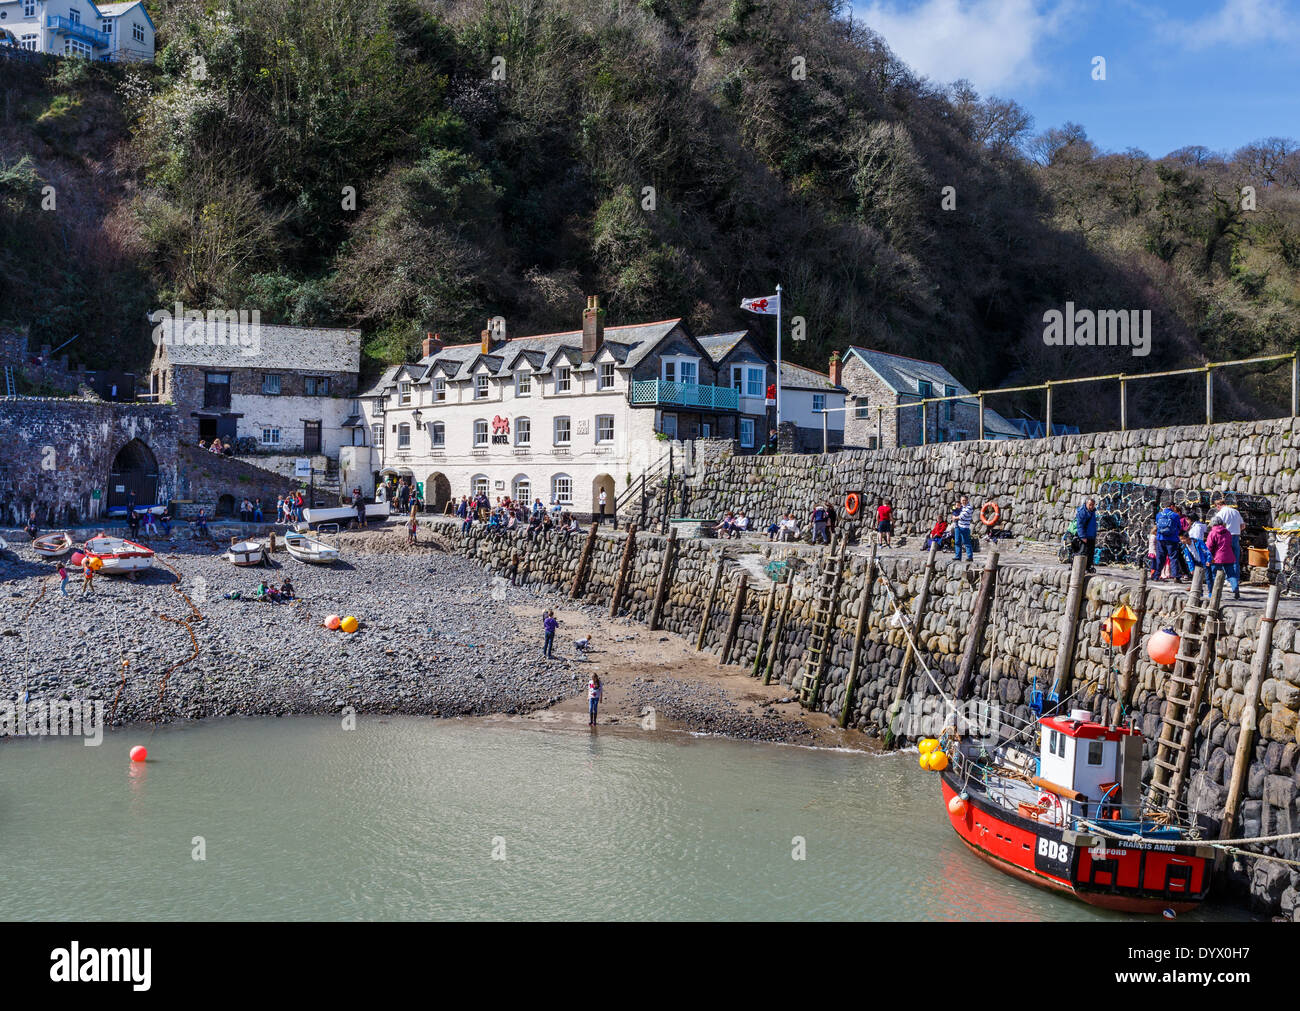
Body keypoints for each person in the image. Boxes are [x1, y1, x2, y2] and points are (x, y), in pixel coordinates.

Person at [1213, 500, 1244, 588]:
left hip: (1226, 537)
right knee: (1235, 559)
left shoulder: (1221, 513)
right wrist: (1237, 530)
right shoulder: (1236, 512)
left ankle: (1227, 579)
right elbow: (1243, 525)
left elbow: (1217, 527)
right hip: (1236, 536)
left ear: (1218, 505)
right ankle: (1235, 579)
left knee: (1225, 559)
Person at [1206, 518, 1240, 599]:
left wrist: (1208, 558)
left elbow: (1209, 547)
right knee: (1231, 574)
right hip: (1229, 556)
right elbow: (1230, 543)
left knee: (1215, 575)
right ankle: (1236, 589)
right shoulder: (1227, 532)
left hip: (1216, 557)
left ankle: (1216, 593)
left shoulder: (1212, 533)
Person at [1152, 502, 1184, 582]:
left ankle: (1156, 576)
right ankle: (1176, 576)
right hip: (1172, 539)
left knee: (1160, 558)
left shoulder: (1158, 515)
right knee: (1173, 558)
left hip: (1160, 538)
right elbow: (1179, 527)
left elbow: (1157, 526)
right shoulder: (1175, 515)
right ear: (1172, 506)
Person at [1074, 498, 1098, 572]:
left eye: (1092, 505)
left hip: (1091, 536)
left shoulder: (1092, 512)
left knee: (1090, 553)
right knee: (1083, 552)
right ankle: (1079, 568)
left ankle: (1088, 567)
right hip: (1084, 537)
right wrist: (1082, 536)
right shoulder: (1083, 512)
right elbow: (1080, 525)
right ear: (1086, 504)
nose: (1091, 506)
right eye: (1090, 505)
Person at [952, 496, 975, 561]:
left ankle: (970, 557)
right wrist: (953, 513)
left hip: (964, 527)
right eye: (962, 500)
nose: (964, 502)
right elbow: (953, 509)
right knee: (957, 542)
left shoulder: (969, 508)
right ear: (960, 501)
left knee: (966, 542)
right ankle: (958, 556)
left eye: (965, 500)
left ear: (967, 500)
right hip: (957, 526)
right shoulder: (960, 507)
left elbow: (962, 517)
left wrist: (954, 518)